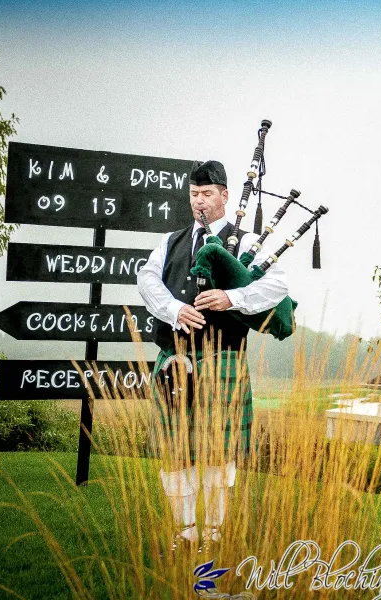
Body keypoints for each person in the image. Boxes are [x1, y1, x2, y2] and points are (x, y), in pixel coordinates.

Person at [136, 159, 288, 553]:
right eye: (194, 195)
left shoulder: (248, 240)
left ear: (224, 195)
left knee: (217, 449)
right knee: (175, 448)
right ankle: (184, 531)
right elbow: (147, 280)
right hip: (175, 358)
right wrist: (173, 309)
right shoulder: (171, 242)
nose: (199, 201)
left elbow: (277, 287)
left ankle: (214, 531)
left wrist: (230, 298)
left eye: (206, 194)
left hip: (223, 357)